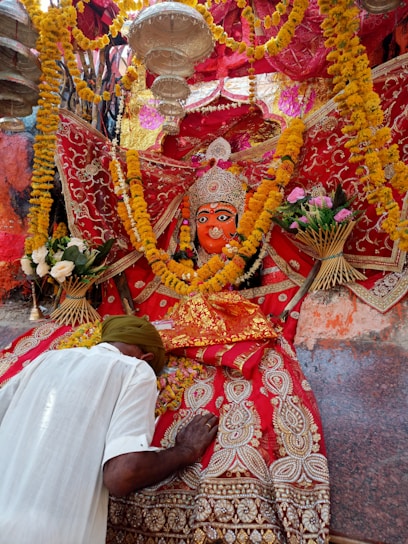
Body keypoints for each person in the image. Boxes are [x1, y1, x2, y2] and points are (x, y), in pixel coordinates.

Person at [0, 315, 218, 544]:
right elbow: (122, 475)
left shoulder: (46, 359)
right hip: (47, 533)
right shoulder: (135, 370)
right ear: (147, 358)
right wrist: (185, 450)